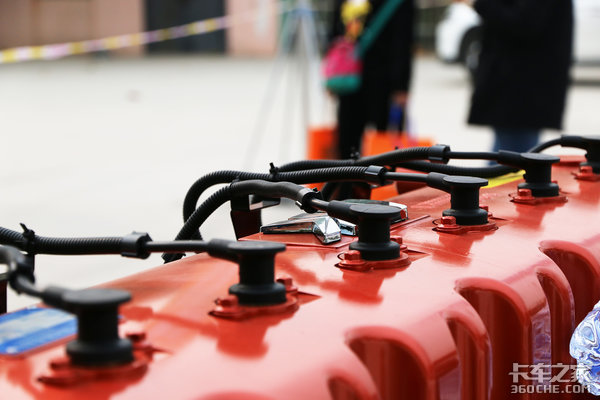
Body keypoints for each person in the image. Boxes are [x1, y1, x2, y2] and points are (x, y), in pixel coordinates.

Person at [467, 0, 573, 153]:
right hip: (517, 87)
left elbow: (524, 22)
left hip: (522, 89)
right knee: (507, 156)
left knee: (513, 160)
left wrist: (479, 2)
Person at [329, 0, 415, 159]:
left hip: (366, 79)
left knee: (353, 142)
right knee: (382, 146)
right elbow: (403, 41)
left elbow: (334, 34)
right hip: (369, 80)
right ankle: (366, 173)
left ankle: (351, 173)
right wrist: (402, 87)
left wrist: (401, 86)